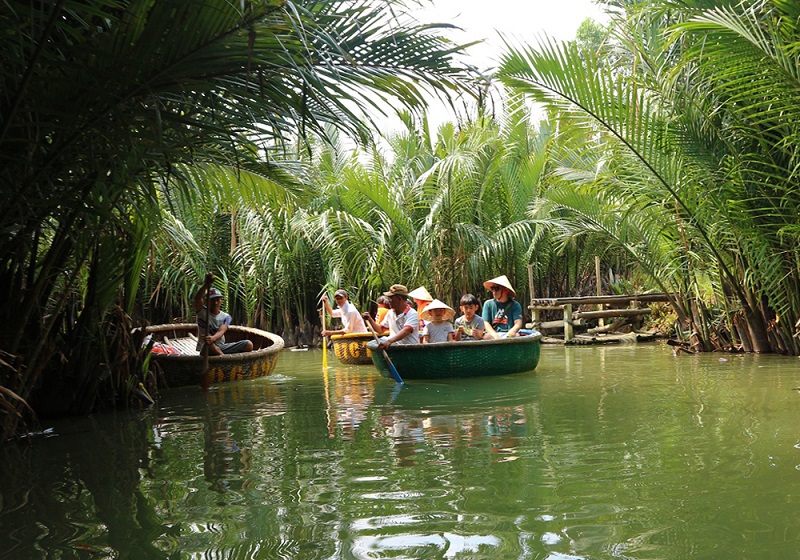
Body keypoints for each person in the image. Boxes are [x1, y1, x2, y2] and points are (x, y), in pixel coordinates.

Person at [194, 273, 253, 355]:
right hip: (206, 349)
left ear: (221, 300)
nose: (215, 302)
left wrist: (213, 338)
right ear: (207, 301)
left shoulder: (226, 317)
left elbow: (221, 331)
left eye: (217, 299)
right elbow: (197, 298)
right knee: (209, 344)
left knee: (248, 344)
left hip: (222, 347)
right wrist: (206, 284)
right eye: (212, 300)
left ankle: (222, 356)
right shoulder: (202, 312)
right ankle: (225, 359)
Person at [362, 284, 419, 349]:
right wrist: (370, 319)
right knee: (372, 343)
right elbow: (380, 330)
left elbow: (406, 330)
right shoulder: (390, 313)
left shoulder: (412, 313)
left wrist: (389, 341)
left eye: (391, 298)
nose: (388, 301)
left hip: (409, 348)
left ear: (399, 299)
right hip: (395, 346)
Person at [481, 275, 524, 339]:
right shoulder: (488, 304)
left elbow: (518, 323)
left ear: (505, 290)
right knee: (485, 337)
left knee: (516, 335)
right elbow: (486, 323)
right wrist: (494, 335)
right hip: (493, 333)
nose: (494, 291)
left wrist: (510, 333)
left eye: (497, 288)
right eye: (492, 288)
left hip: (509, 333)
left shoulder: (515, 305)